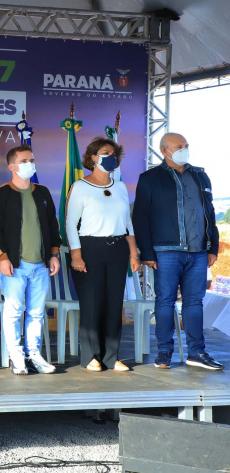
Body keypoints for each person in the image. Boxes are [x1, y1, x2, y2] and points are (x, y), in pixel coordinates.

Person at [133, 133, 223, 370]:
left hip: (198, 252)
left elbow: (210, 213)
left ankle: (197, 352)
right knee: (165, 301)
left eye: (186, 146)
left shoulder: (200, 175)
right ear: (165, 151)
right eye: (179, 146)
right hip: (165, 251)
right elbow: (140, 217)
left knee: (194, 302)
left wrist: (212, 246)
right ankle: (164, 351)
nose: (185, 149)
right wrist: (147, 253)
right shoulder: (150, 178)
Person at [65, 137, 139, 372]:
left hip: (117, 249)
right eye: (106, 153)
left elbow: (127, 221)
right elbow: (70, 224)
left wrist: (133, 253)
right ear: (93, 158)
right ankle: (91, 356)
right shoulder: (80, 186)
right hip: (89, 249)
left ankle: (111, 356)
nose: (112, 157)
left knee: (114, 303)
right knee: (92, 302)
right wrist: (76, 255)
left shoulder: (119, 187)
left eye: (114, 153)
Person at [0, 145, 61, 375]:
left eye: (32, 159)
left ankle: (34, 355)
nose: (30, 163)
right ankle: (16, 357)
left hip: (41, 264)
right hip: (15, 265)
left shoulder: (42, 192)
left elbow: (52, 224)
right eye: (25, 160)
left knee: (37, 312)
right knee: (14, 311)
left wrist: (54, 254)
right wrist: (2, 256)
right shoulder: (2, 193)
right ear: (12, 166)